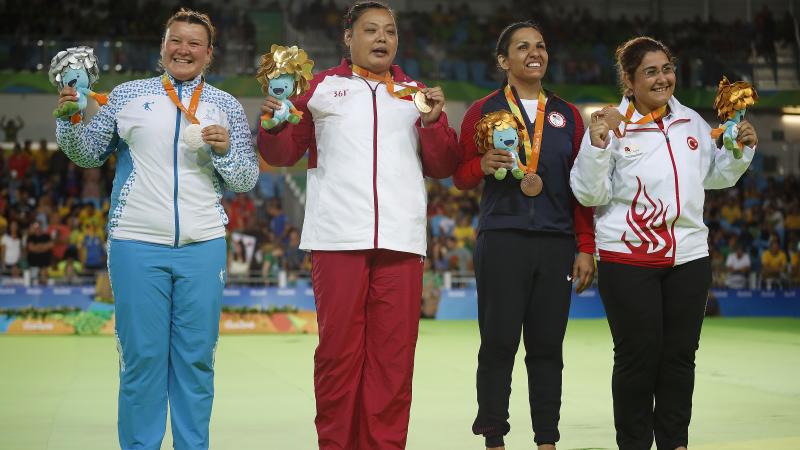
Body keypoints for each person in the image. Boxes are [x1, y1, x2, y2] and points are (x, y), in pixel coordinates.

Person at [257, 2, 460, 448]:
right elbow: (281, 154)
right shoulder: (320, 89)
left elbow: (444, 164)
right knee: (337, 357)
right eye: (371, 30)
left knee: (393, 361)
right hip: (336, 239)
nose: (382, 38)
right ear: (348, 38)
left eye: (389, 31)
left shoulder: (417, 93)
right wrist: (273, 123)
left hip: (401, 241)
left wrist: (431, 122)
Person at [55, 8, 258, 450]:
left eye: (194, 44)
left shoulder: (227, 106)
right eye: (175, 41)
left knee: (196, 362)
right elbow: (89, 154)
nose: (183, 49)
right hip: (135, 242)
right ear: (163, 47)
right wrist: (69, 118)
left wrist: (225, 152)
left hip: (203, 245)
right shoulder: (128, 95)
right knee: (142, 361)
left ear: (209, 54)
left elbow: (245, 179)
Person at [570, 36, 758, 450]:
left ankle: (675, 442)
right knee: (638, 358)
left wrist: (740, 153)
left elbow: (713, 177)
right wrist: (597, 144)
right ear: (630, 80)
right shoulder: (610, 124)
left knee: (679, 358)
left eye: (666, 69)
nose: (662, 78)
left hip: (689, 257)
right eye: (650, 72)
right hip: (627, 257)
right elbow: (589, 194)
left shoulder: (690, 121)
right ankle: (634, 444)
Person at [453, 20, 595, 450]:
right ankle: (494, 437)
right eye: (522, 47)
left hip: (555, 244)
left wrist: (585, 247)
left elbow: (581, 189)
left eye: (541, 46)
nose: (535, 53)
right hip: (502, 240)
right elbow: (459, 176)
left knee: (548, 348)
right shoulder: (483, 110)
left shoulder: (568, 115)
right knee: (498, 344)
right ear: (503, 60)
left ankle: (546, 440)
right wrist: (482, 164)